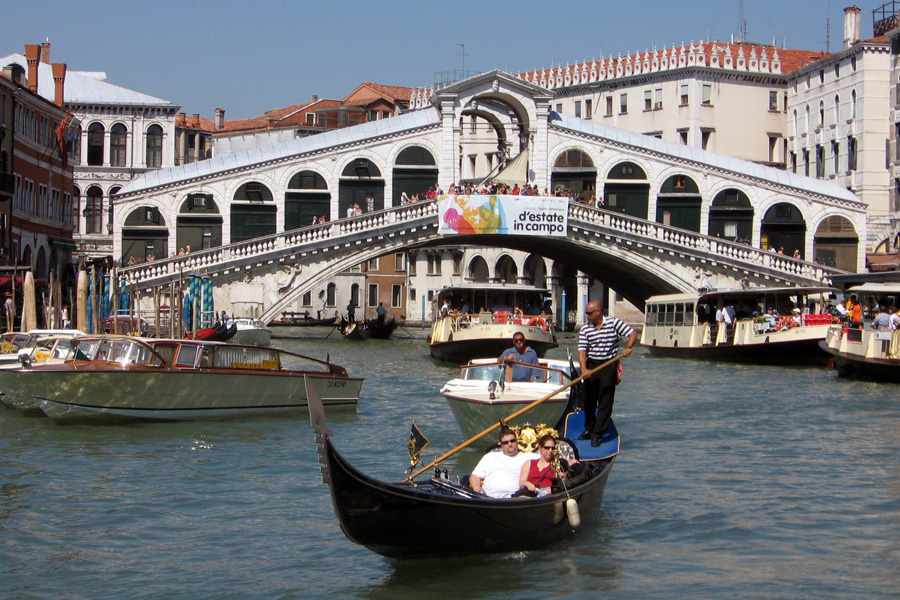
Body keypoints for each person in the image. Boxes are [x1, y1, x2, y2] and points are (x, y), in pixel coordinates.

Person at [578, 300, 637, 447]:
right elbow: (582, 351)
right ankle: (589, 428)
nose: (587, 316)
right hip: (592, 365)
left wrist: (628, 346)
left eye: (589, 313)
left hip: (609, 365)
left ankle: (597, 434)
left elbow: (632, 333)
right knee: (589, 400)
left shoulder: (613, 323)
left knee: (605, 400)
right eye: (586, 313)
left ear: (598, 312)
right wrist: (584, 369)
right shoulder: (585, 329)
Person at [469, 428, 538, 498]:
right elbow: (475, 476)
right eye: (506, 442)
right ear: (501, 445)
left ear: (517, 441)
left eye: (512, 441)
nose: (510, 444)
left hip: (515, 498)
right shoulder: (490, 457)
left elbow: (546, 460)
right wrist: (476, 488)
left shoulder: (529, 457)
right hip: (488, 498)